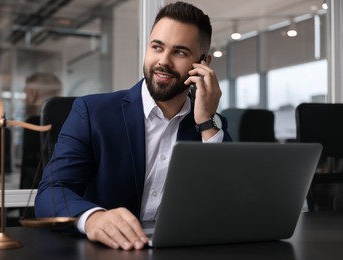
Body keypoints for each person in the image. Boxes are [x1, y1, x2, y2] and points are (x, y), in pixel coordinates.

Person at [35, 1, 231, 250]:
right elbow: (51, 192)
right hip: (104, 253)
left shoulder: (211, 125)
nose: (163, 61)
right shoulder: (92, 112)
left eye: (180, 52)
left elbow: (227, 203)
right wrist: (94, 218)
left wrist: (206, 122)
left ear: (203, 63)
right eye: (157, 47)